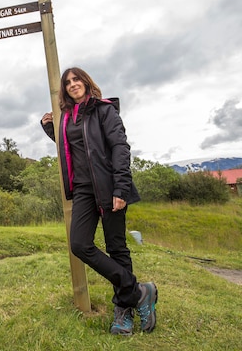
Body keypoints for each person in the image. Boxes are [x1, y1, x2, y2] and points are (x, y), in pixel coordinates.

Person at [40, 67, 157, 335]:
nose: (72, 84)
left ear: (86, 82)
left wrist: (121, 188)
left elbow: (120, 148)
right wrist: (50, 127)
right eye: (67, 82)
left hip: (109, 187)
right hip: (82, 190)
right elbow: (71, 148)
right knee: (79, 244)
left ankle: (124, 310)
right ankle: (139, 291)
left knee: (117, 248)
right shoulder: (67, 118)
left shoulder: (104, 110)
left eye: (76, 79)